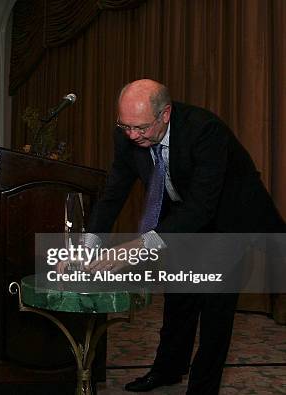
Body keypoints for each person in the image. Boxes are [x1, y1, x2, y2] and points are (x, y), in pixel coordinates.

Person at [81, 79, 284, 394]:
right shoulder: (129, 133)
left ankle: (203, 387)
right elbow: (114, 191)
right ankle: (167, 370)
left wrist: (137, 246)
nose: (132, 135)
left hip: (229, 218)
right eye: (126, 126)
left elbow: (202, 206)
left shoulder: (205, 130)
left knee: (215, 309)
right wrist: (89, 244)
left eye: (141, 128)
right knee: (178, 297)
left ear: (165, 114)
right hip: (182, 217)